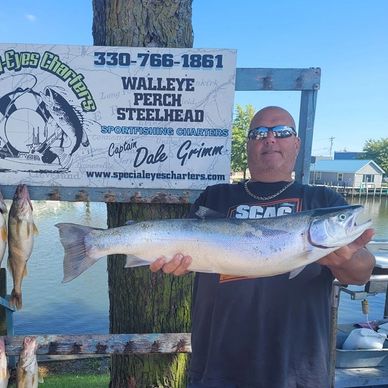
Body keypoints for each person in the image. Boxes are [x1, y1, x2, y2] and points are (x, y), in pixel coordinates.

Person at [150, 106, 375, 388]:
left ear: (296, 144)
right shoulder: (215, 196)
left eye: (281, 132)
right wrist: (175, 261)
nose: (270, 139)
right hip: (217, 363)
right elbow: (184, 250)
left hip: (297, 367)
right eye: (259, 133)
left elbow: (361, 273)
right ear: (248, 145)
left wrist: (343, 261)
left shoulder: (324, 199)